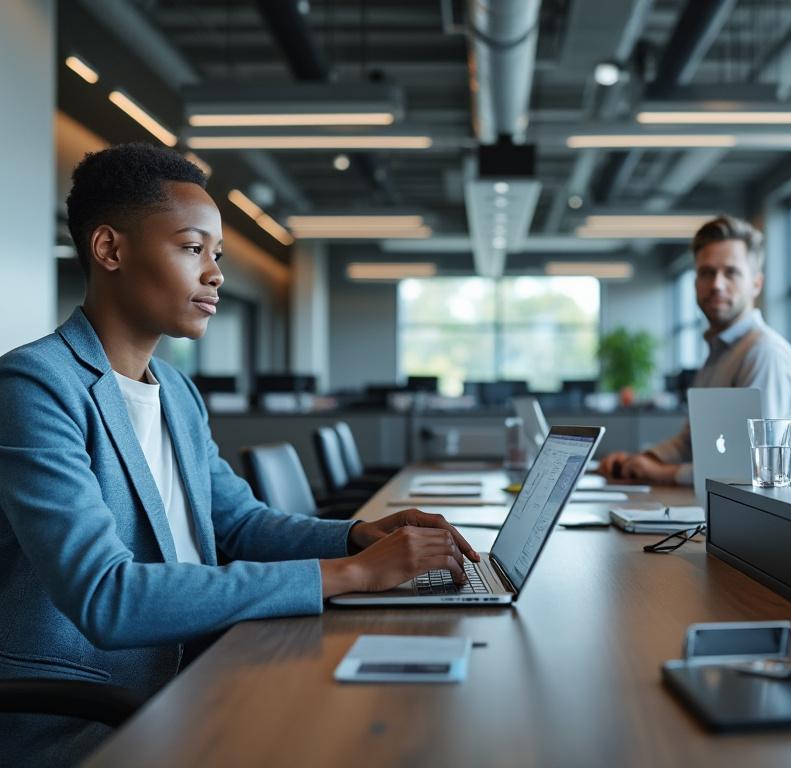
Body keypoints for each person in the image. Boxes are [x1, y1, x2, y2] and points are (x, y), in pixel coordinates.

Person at [0, 143, 478, 765]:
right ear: (110, 249)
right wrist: (352, 575)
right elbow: (105, 596)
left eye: (216, 255)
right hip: (97, 716)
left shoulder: (175, 389)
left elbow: (240, 523)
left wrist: (356, 537)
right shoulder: (34, 387)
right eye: (193, 248)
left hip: (216, 664)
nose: (216, 273)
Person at [598, 215, 791, 485]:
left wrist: (661, 473)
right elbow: (692, 441)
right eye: (707, 273)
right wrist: (641, 461)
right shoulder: (718, 353)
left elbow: (754, 470)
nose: (716, 284)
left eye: (731, 272)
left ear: (756, 284)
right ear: (695, 282)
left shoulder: (763, 353)